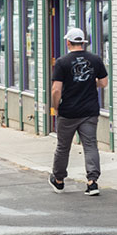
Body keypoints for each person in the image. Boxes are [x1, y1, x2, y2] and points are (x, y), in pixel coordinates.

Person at [49, 25, 108, 196]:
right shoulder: (95, 59)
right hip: (89, 111)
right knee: (90, 146)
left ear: (68, 42)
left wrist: (55, 106)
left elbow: (56, 90)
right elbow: (103, 83)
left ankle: (59, 180)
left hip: (68, 112)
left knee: (63, 147)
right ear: (83, 42)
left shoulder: (62, 62)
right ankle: (92, 182)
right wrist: (89, 83)